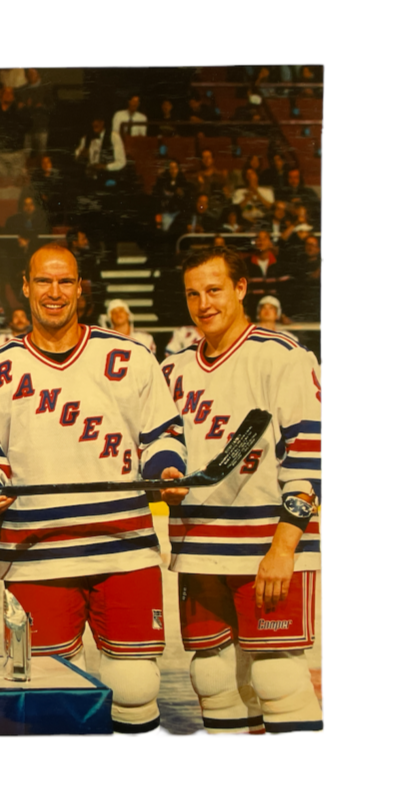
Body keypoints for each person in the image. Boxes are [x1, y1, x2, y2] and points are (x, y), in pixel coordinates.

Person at [0, 243, 188, 732]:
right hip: (34, 553)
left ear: (80, 288)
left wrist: (166, 467)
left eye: (65, 281)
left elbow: (164, 434)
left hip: (124, 548)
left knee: (135, 688)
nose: (54, 292)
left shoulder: (131, 356)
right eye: (44, 281)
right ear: (25, 286)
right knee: (43, 695)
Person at [160, 246, 322, 733]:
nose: (203, 304)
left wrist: (284, 546)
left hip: (265, 546)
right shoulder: (172, 369)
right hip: (198, 547)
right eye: (193, 294)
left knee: (277, 676)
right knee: (213, 677)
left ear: (241, 289)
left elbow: (312, 456)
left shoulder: (284, 357)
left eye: (214, 290)